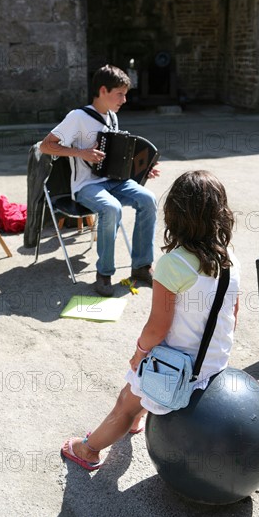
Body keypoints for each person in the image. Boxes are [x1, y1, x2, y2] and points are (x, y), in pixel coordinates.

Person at [61, 170, 241, 471]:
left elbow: (157, 327)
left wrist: (139, 354)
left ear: (175, 214)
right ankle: (145, 409)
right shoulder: (230, 259)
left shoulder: (173, 264)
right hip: (213, 361)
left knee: (125, 401)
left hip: (178, 370)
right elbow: (232, 315)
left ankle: (89, 450)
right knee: (144, 383)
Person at [40, 64, 159, 297]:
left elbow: (117, 158)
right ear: (103, 90)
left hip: (114, 181)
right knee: (111, 208)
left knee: (148, 199)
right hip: (86, 186)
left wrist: (142, 171)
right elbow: (46, 146)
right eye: (120, 94)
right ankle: (104, 274)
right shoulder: (78, 117)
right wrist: (81, 153)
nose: (124, 100)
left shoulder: (112, 117)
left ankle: (142, 267)